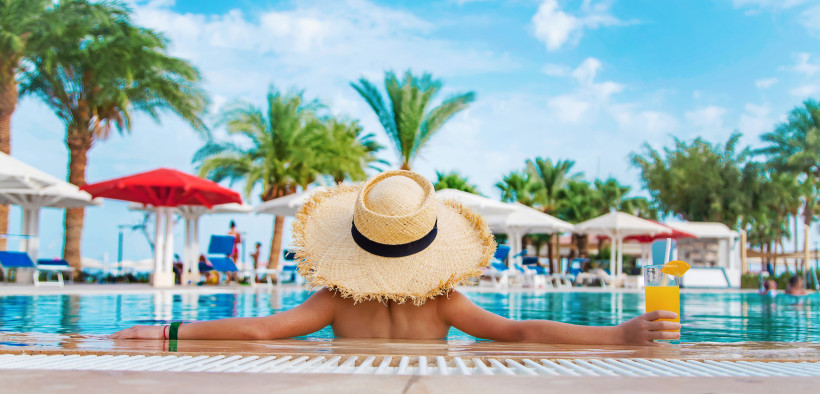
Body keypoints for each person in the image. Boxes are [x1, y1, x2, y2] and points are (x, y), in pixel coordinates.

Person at [111, 170, 679, 345]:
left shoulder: (333, 300)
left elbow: (261, 332)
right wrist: (616, 336)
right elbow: (520, 332)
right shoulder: (444, 302)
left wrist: (167, 332)